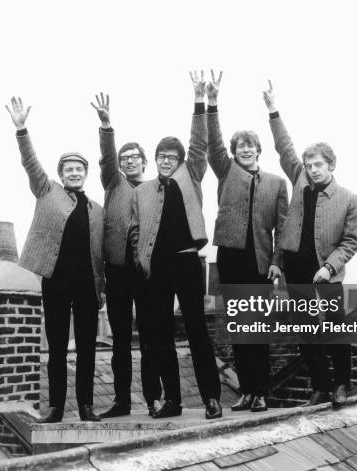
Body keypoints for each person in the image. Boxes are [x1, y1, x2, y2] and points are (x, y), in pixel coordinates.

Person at [5, 96, 105, 423]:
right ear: (61, 173)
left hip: (88, 286)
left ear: (85, 174)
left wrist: (102, 288)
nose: (74, 173)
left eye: (79, 169)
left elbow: (101, 254)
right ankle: (57, 407)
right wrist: (22, 130)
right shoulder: (47, 191)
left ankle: (87, 406)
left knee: (88, 347)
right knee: (58, 348)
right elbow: (30, 163)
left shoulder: (97, 210)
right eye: (68, 169)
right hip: (56, 281)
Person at [130, 72, 222, 420]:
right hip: (158, 268)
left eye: (171, 157)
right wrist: (143, 259)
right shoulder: (142, 191)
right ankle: (173, 400)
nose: (165, 161)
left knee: (197, 331)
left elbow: (199, 143)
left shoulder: (190, 174)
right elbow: (136, 230)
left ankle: (212, 397)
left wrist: (201, 101)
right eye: (161, 157)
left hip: (186, 263)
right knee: (162, 336)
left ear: (181, 161)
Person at [264, 82, 357, 407]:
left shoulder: (348, 199)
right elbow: (284, 147)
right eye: (309, 165)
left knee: (334, 329)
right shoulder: (300, 180)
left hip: (326, 271)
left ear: (331, 166)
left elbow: (350, 242)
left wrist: (329, 267)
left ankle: (342, 385)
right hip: (296, 266)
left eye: (318, 164)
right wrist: (273, 110)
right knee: (305, 331)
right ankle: (320, 385)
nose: (312, 170)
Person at [205, 71, 288, 412]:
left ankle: (261, 392)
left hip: (259, 262)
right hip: (231, 258)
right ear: (234, 152)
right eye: (240, 147)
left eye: (250, 146)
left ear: (258, 150)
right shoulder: (226, 171)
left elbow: (283, 228)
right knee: (239, 329)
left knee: (258, 330)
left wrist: (276, 262)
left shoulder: (276, 183)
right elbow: (212, 142)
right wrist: (212, 103)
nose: (245, 150)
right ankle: (246, 391)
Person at [90, 93, 162, 417]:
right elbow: (106, 158)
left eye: (135, 157)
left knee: (149, 338)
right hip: (117, 272)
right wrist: (107, 126)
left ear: (145, 162)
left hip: (146, 274)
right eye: (125, 157)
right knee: (119, 341)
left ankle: (154, 399)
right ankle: (121, 401)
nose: (130, 161)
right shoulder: (113, 184)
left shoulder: (156, 190)